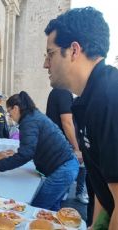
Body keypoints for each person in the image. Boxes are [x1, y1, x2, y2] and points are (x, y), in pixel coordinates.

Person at [44, 7, 117, 228]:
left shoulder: (109, 99)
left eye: (51, 54)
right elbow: (105, 193)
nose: (46, 64)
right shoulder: (88, 100)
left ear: (74, 50)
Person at [0, 91, 79, 211]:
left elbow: (26, 154)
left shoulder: (29, 122)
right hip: (66, 165)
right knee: (51, 209)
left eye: (9, 112)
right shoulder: (33, 116)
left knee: (37, 209)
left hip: (63, 168)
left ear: (15, 108)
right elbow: (33, 147)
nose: (9, 116)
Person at [46, 88, 88, 204]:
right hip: (65, 146)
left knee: (79, 169)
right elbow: (67, 122)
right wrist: (76, 148)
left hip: (63, 144)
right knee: (67, 174)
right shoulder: (63, 93)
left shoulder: (61, 93)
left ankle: (74, 193)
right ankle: (66, 195)